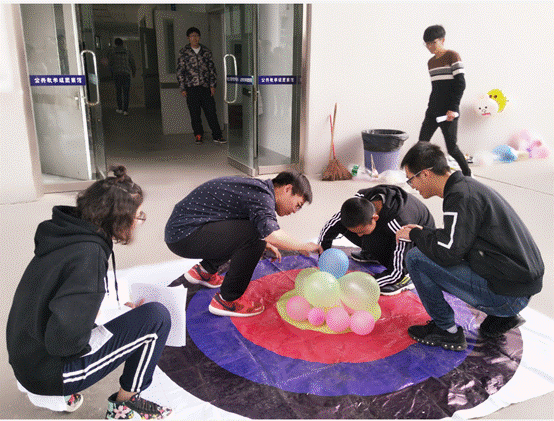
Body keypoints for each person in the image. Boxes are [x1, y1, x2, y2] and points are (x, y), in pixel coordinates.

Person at [6, 166, 172, 419]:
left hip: (25, 354)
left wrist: (104, 315)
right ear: (119, 220)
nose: (139, 222)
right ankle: (126, 405)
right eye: (139, 216)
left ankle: (59, 390)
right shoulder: (89, 256)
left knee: (133, 319)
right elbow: (65, 342)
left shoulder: (64, 234)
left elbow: (57, 300)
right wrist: (100, 326)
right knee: (156, 319)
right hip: (48, 372)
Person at [397, 142, 543, 351]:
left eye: (411, 179)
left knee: (416, 258)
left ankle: (446, 330)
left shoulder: (459, 197)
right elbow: (459, 238)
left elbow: (448, 253)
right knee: (436, 248)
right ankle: (502, 317)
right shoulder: (467, 187)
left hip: (509, 296)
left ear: (426, 174)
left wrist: (416, 235)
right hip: (519, 287)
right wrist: (424, 232)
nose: (413, 187)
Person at [165, 171, 323, 317]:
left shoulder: (258, 189)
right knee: (257, 236)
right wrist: (304, 246)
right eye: (298, 205)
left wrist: (266, 241)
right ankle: (227, 301)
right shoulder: (263, 197)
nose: (295, 211)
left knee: (258, 233)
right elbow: (272, 235)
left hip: (183, 229)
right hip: (184, 235)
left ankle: (205, 271)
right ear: (287, 189)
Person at [318, 185, 435, 295]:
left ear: (375, 217)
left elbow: (396, 273)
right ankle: (373, 252)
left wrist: (364, 284)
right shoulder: (361, 200)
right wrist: (322, 253)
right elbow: (332, 224)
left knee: (397, 271)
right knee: (347, 226)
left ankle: (407, 276)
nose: (359, 236)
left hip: (419, 249)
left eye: (362, 231)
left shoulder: (400, 224)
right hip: (388, 228)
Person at [419, 25, 471, 176]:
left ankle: (468, 174)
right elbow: (436, 88)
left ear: (442, 40)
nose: (430, 47)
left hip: (448, 111)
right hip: (433, 110)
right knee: (422, 145)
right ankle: (425, 175)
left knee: (452, 148)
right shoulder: (430, 62)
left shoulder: (452, 56)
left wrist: (453, 108)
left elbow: (460, 84)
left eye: (433, 43)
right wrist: (430, 108)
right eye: (427, 44)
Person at [176, 27, 225, 145]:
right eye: (192, 36)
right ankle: (198, 135)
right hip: (191, 87)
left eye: (197, 36)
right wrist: (182, 88)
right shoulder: (184, 52)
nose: (195, 38)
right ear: (188, 38)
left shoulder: (206, 51)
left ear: (199, 37)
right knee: (194, 113)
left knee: (211, 112)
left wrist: (212, 85)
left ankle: (217, 135)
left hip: (205, 87)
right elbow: (180, 71)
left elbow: (212, 69)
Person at [107, 38, 136, 116]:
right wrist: (133, 72)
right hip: (126, 74)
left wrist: (111, 74)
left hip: (117, 74)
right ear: (122, 43)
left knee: (118, 92)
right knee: (126, 92)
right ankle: (125, 110)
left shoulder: (112, 52)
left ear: (115, 44)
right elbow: (132, 63)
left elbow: (110, 64)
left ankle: (120, 109)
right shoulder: (127, 51)